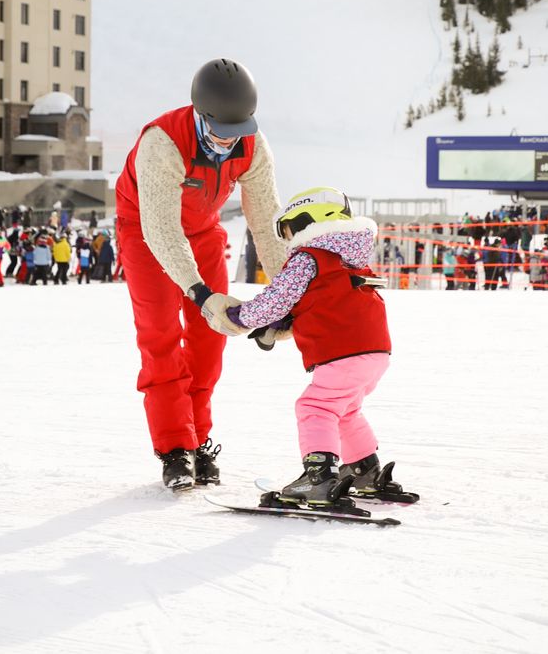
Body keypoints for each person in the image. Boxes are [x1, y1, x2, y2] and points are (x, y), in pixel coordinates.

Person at [115, 58, 287, 490]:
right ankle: (175, 447)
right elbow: (160, 229)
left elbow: (265, 220)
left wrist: (287, 294)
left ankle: (198, 439)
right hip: (146, 231)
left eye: (239, 132)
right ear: (200, 115)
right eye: (221, 133)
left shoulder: (253, 144)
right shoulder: (163, 142)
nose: (230, 143)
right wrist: (199, 292)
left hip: (202, 230)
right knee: (160, 336)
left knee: (212, 338)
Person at [225, 187, 398, 506]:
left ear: (308, 222)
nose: (289, 242)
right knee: (345, 409)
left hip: (342, 352)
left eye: (289, 231)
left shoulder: (308, 257)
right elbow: (322, 298)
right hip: (375, 352)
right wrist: (287, 318)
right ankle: (363, 469)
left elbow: (278, 297)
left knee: (315, 407)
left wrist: (241, 315)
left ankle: (319, 477)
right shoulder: (352, 257)